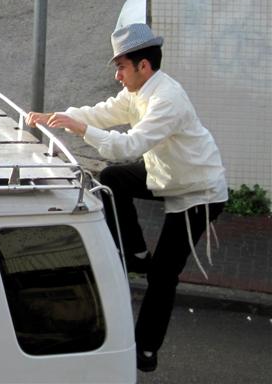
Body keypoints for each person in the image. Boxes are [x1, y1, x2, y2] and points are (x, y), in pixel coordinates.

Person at [28, 23, 227, 374]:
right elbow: (103, 111)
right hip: (166, 177)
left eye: (121, 67)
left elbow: (128, 146)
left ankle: (145, 350)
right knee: (112, 178)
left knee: (163, 276)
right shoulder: (137, 91)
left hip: (198, 192)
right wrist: (61, 118)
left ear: (143, 66)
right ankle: (134, 252)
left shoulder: (167, 100)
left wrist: (81, 129)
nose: (117, 76)